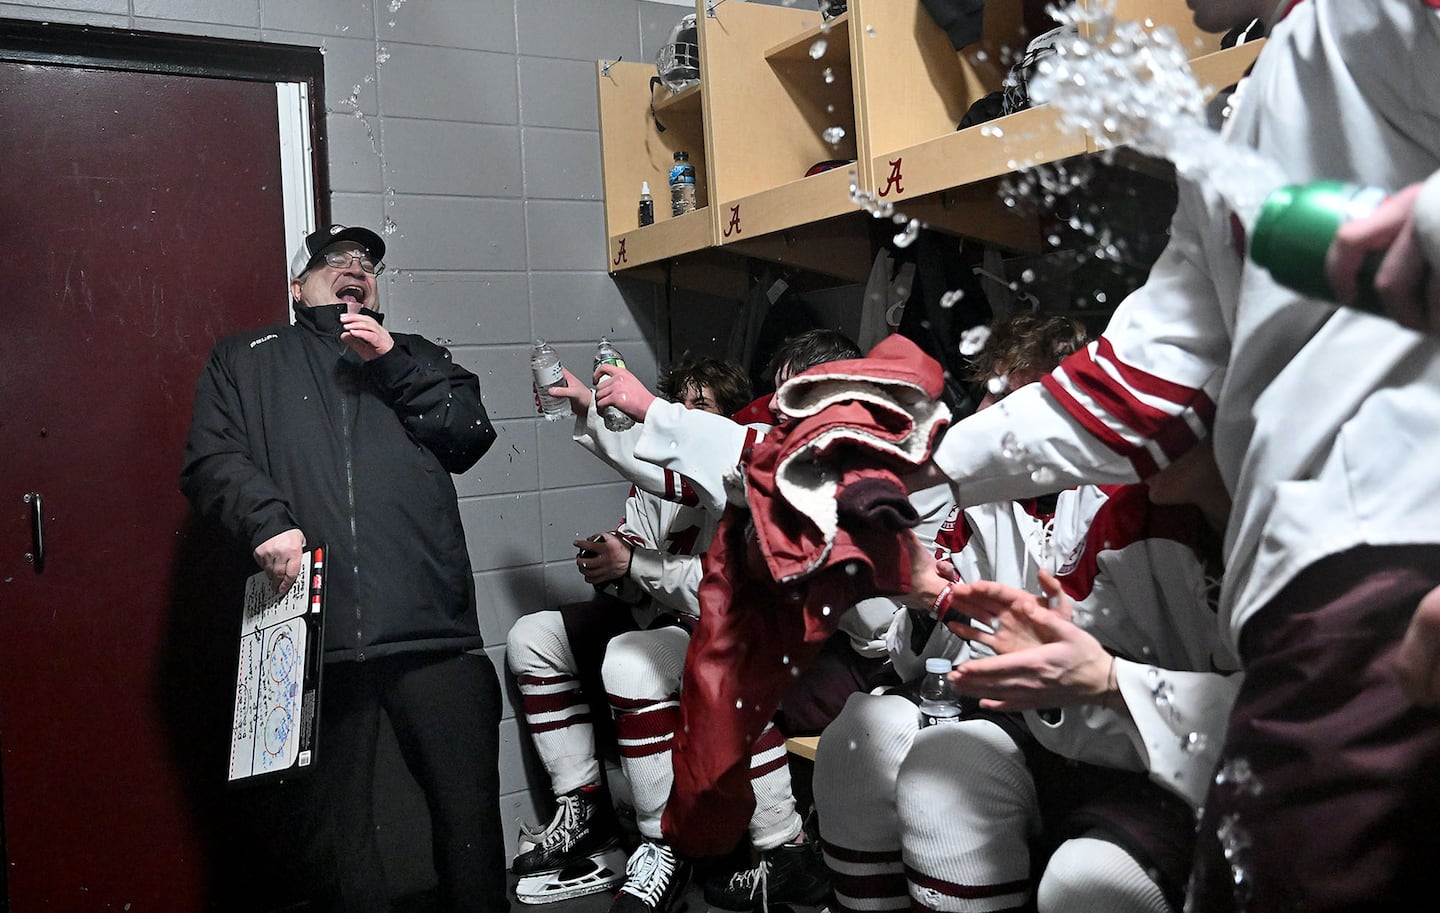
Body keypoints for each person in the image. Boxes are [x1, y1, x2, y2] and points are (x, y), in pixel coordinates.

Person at [919, 2, 1440, 910]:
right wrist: (922, 465)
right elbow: (1147, 387)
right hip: (1315, 592)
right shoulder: (1248, 111)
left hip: (1394, 560)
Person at [179, 224, 507, 913]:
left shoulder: (417, 356)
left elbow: (470, 433)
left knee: (467, 819)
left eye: (367, 262)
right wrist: (266, 518)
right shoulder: (248, 360)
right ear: (299, 287)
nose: (355, 266)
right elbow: (211, 459)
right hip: (310, 631)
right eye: (335, 260)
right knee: (332, 838)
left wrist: (391, 359)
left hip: (432, 629)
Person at [504, 355, 751, 905]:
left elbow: (713, 588)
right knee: (532, 638)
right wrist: (612, 563)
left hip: (718, 636)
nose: (683, 417)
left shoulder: (742, 479)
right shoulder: (657, 475)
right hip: (652, 620)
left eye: (701, 407)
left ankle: (662, 843)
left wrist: (634, 567)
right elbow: (636, 545)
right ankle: (583, 806)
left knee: (629, 658)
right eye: (679, 404)